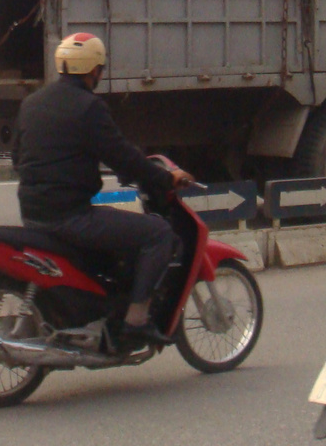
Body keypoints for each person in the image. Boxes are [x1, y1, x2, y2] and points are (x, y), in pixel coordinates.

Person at [11, 32, 195, 347]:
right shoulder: (89, 107)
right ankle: (136, 322)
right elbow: (123, 156)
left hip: (33, 214)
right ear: (94, 70)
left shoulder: (32, 103)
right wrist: (167, 178)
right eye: (100, 69)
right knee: (158, 233)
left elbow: (18, 157)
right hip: (71, 218)